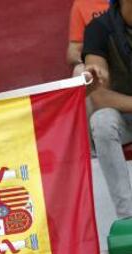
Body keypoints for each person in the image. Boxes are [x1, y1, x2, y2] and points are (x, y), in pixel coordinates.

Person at [83, 0, 132, 218]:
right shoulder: (99, 28)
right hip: (125, 116)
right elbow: (99, 97)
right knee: (101, 121)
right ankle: (128, 216)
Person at [67, 0, 109, 76]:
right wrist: (95, 61)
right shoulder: (82, 3)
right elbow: (73, 53)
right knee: (79, 70)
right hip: (99, 63)